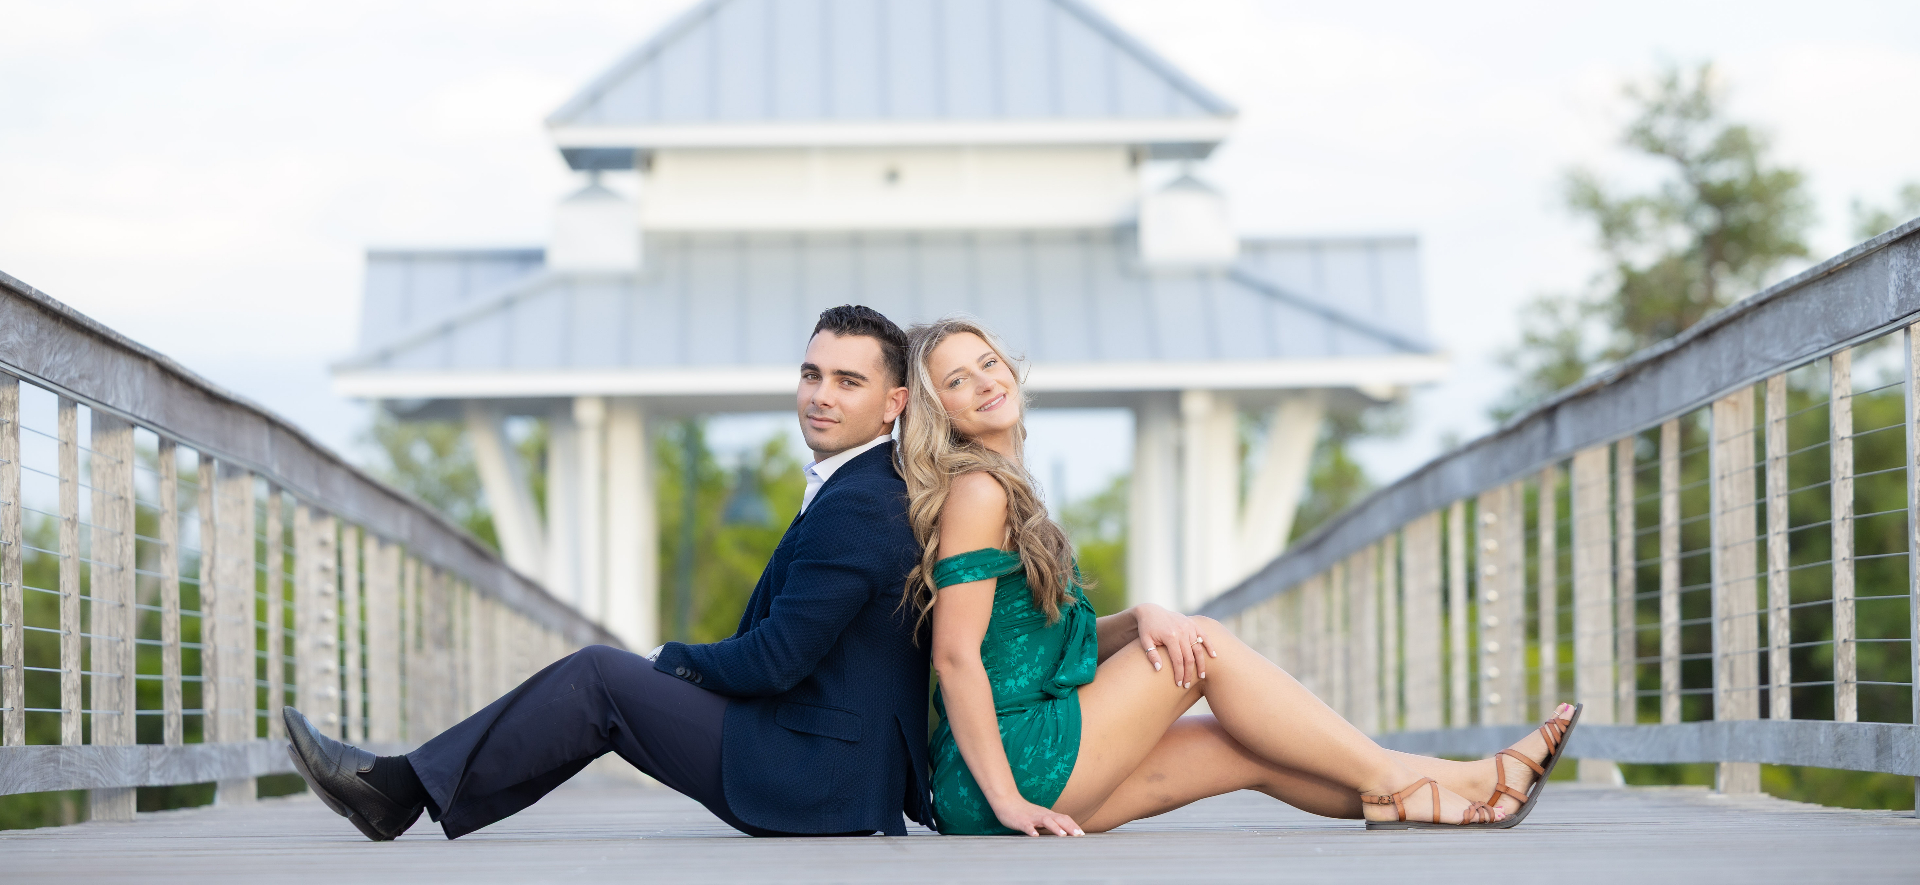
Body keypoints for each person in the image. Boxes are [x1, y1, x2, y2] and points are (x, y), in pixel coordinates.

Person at [899, 316, 1580, 837]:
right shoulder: (978, 490)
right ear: (942, 412)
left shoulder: (1010, 490)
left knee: (1241, 747)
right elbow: (956, 658)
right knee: (1203, 647)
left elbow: (1034, 648)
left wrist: (1141, 617)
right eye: (958, 379)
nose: (986, 380)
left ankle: (1473, 788)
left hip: (1022, 760)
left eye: (988, 362)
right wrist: (1009, 800)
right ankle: (1419, 781)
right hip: (1009, 768)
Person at [285, 304, 932, 840]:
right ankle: (402, 788)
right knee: (600, 683)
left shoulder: (860, 505)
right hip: (827, 759)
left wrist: (668, 660)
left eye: (848, 381)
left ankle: (397, 789)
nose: (821, 395)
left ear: (891, 403)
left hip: (815, 774)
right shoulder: (863, 485)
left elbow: (776, 659)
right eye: (811, 374)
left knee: (600, 676)